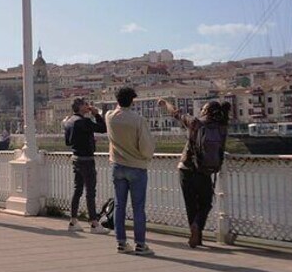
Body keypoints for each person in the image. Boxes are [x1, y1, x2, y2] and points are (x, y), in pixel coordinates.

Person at [159, 98, 231, 248]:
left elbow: (176, 113)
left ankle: (195, 233)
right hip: (205, 171)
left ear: (205, 111)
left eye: (203, 109)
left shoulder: (195, 122)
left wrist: (165, 103)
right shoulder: (222, 127)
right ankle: (198, 227)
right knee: (206, 204)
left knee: (190, 204)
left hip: (186, 168)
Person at [105, 87, 155, 255]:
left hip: (117, 166)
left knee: (120, 205)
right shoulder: (138, 120)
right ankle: (140, 244)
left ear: (117, 100)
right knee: (138, 207)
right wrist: (146, 157)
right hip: (137, 166)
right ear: (132, 101)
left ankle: (121, 242)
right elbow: (146, 147)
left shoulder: (109, 117)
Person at [62, 97, 109, 233]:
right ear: (80, 107)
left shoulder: (68, 122)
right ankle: (94, 223)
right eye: (85, 104)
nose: (88, 106)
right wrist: (96, 114)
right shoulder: (84, 121)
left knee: (77, 190)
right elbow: (103, 128)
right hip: (87, 159)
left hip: (76, 158)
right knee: (90, 192)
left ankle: (73, 221)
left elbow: (67, 143)